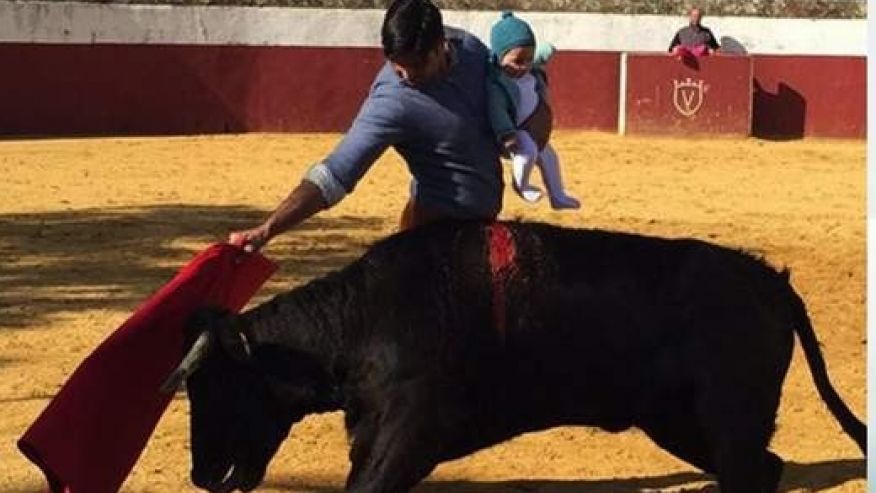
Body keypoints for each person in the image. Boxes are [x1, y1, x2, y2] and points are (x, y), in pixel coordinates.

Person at [229, 0, 503, 251]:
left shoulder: (470, 50)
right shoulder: (393, 102)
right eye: (397, 66)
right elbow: (335, 174)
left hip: (485, 230)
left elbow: (515, 90)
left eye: (416, 65)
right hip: (432, 241)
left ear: (440, 46)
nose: (406, 76)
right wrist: (269, 229)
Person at [487, 12, 580, 210]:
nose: (524, 66)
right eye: (518, 61)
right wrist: (506, 133)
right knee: (528, 149)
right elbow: (497, 111)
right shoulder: (497, 85)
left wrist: (548, 50)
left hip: (533, 131)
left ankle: (557, 195)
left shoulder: (529, 69)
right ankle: (522, 185)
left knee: (549, 156)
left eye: (529, 60)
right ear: (499, 57)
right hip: (515, 133)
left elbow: (538, 55)